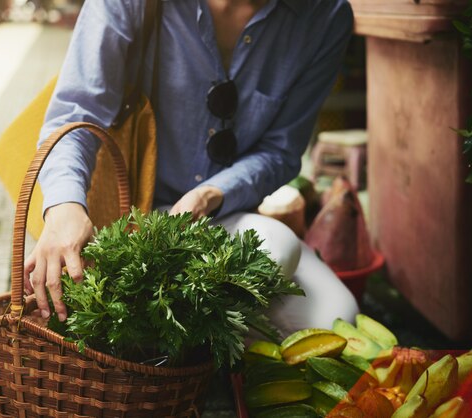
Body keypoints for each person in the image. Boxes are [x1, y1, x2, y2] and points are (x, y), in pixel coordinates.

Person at [24, 0, 360, 336]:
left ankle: (185, 352)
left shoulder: (324, 15)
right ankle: (184, 359)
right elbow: (77, 113)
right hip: (118, 219)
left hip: (212, 218)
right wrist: (64, 206)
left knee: (336, 317)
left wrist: (211, 193)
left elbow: (280, 150)